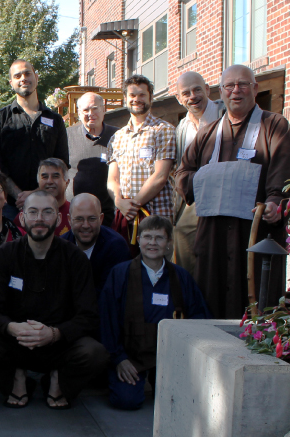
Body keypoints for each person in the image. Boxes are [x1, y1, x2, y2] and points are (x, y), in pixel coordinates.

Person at [0, 191, 108, 409]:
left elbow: (88, 315)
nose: (39, 218)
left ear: (59, 219)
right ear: (22, 218)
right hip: (16, 343)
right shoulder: (5, 255)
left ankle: (58, 379)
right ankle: (17, 377)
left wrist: (54, 334)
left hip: (59, 345)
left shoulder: (75, 258)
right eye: (33, 212)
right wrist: (13, 328)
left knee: (95, 353)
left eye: (47, 212)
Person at [175, 64, 290, 318]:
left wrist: (274, 201)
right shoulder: (208, 133)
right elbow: (182, 175)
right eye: (229, 85)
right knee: (212, 306)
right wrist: (214, 178)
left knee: (257, 305)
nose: (236, 91)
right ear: (221, 91)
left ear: (255, 89)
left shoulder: (274, 126)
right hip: (213, 236)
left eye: (243, 84)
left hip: (255, 234)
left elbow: (282, 173)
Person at [99, 216, 210, 410]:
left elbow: (198, 317)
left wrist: (189, 360)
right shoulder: (120, 273)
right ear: (138, 239)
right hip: (131, 356)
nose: (152, 243)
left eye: (159, 238)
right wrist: (119, 359)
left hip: (171, 356)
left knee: (178, 401)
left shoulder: (180, 277)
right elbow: (107, 319)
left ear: (168, 243)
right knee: (127, 401)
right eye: (147, 237)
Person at [0, 59, 69, 220]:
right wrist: (19, 195)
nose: (23, 78)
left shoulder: (55, 120)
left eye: (27, 73)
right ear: (11, 83)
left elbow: (62, 163)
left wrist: (36, 194)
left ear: (36, 77)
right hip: (11, 206)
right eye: (17, 76)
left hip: (47, 204)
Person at [107, 75, 176, 255]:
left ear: (150, 97)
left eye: (141, 95)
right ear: (125, 99)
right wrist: (119, 201)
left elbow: (160, 176)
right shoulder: (117, 137)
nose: (136, 99)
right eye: (132, 95)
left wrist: (132, 205)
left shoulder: (164, 130)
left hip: (155, 217)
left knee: (158, 271)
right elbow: (112, 179)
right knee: (128, 271)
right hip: (125, 219)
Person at [172, 72, 223, 277]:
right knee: (182, 235)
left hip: (223, 193)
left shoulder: (224, 113)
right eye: (186, 93)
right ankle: (188, 294)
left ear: (208, 90)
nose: (192, 96)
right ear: (179, 98)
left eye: (197, 90)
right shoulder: (182, 128)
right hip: (195, 196)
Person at [62, 194, 131, 295]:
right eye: (79, 219)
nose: (86, 225)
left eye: (92, 219)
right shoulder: (62, 247)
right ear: (69, 220)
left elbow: (115, 294)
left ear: (101, 219)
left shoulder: (117, 247)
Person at [67, 92, 119, 226]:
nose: (91, 113)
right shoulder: (67, 136)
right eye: (85, 110)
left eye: (95, 108)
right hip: (74, 214)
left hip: (106, 214)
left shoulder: (118, 136)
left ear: (103, 110)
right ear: (79, 113)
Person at [14, 158, 71, 236]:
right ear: (38, 182)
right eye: (45, 177)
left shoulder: (75, 213)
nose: (49, 181)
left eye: (55, 176)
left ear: (67, 182)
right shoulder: (26, 216)